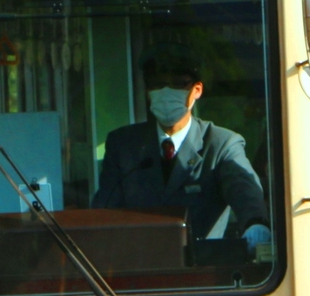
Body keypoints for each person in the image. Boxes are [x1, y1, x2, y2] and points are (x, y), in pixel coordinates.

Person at [91, 45, 271, 248]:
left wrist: (256, 224)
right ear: (148, 90)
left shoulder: (221, 144)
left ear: (197, 90)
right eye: (158, 84)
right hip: (137, 269)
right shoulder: (123, 145)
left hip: (201, 272)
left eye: (178, 84)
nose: (167, 91)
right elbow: (104, 212)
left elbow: (245, 191)